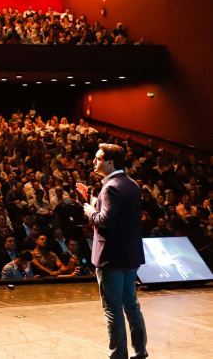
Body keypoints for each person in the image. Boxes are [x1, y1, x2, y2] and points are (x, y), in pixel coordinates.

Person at [77, 143, 147, 359]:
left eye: (98, 158)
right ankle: (140, 350)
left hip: (111, 257)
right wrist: (91, 198)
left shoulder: (110, 187)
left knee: (113, 309)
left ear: (110, 162)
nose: (94, 161)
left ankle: (118, 355)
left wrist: (90, 211)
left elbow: (105, 220)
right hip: (129, 254)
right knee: (131, 305)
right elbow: (118, 213)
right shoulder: (131, 184)